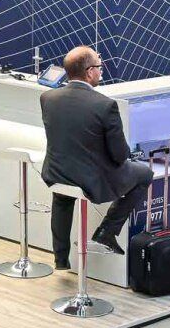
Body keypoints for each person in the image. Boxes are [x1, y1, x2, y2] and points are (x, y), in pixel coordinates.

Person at [40, 45, 153, 266]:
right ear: (90, 71)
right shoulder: (105, 105)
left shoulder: (48, 98)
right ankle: (107, 232)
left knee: (62, 198)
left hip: (56, 172)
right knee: (144, 173)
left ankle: (61, 258)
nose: (101, 71)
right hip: (91, 180)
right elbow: (120, 156)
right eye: (99, 67)